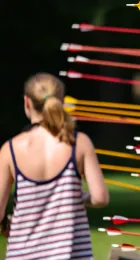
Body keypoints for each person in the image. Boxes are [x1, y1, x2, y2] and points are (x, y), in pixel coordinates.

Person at [0, 72, 109, 259]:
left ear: (27, 103)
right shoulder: (78, 143)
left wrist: (4, 225)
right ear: (62, 102)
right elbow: (100, 198)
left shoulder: (10, 150)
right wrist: (80, 198)